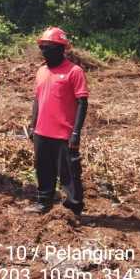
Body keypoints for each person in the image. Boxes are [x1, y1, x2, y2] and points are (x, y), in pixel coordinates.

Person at [26, 27, 89, 215]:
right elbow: (38, 99)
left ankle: (73, 208)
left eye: (49, 47)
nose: (45, 50)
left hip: (64, 133)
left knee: (69, 174)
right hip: (42, 132)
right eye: (42, 46)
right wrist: (32, 125)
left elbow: (82, 103)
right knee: (43, 169)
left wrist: (76, 133)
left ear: (61, 48)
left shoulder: (74, 71)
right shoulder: (41, 71)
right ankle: (43, 202)